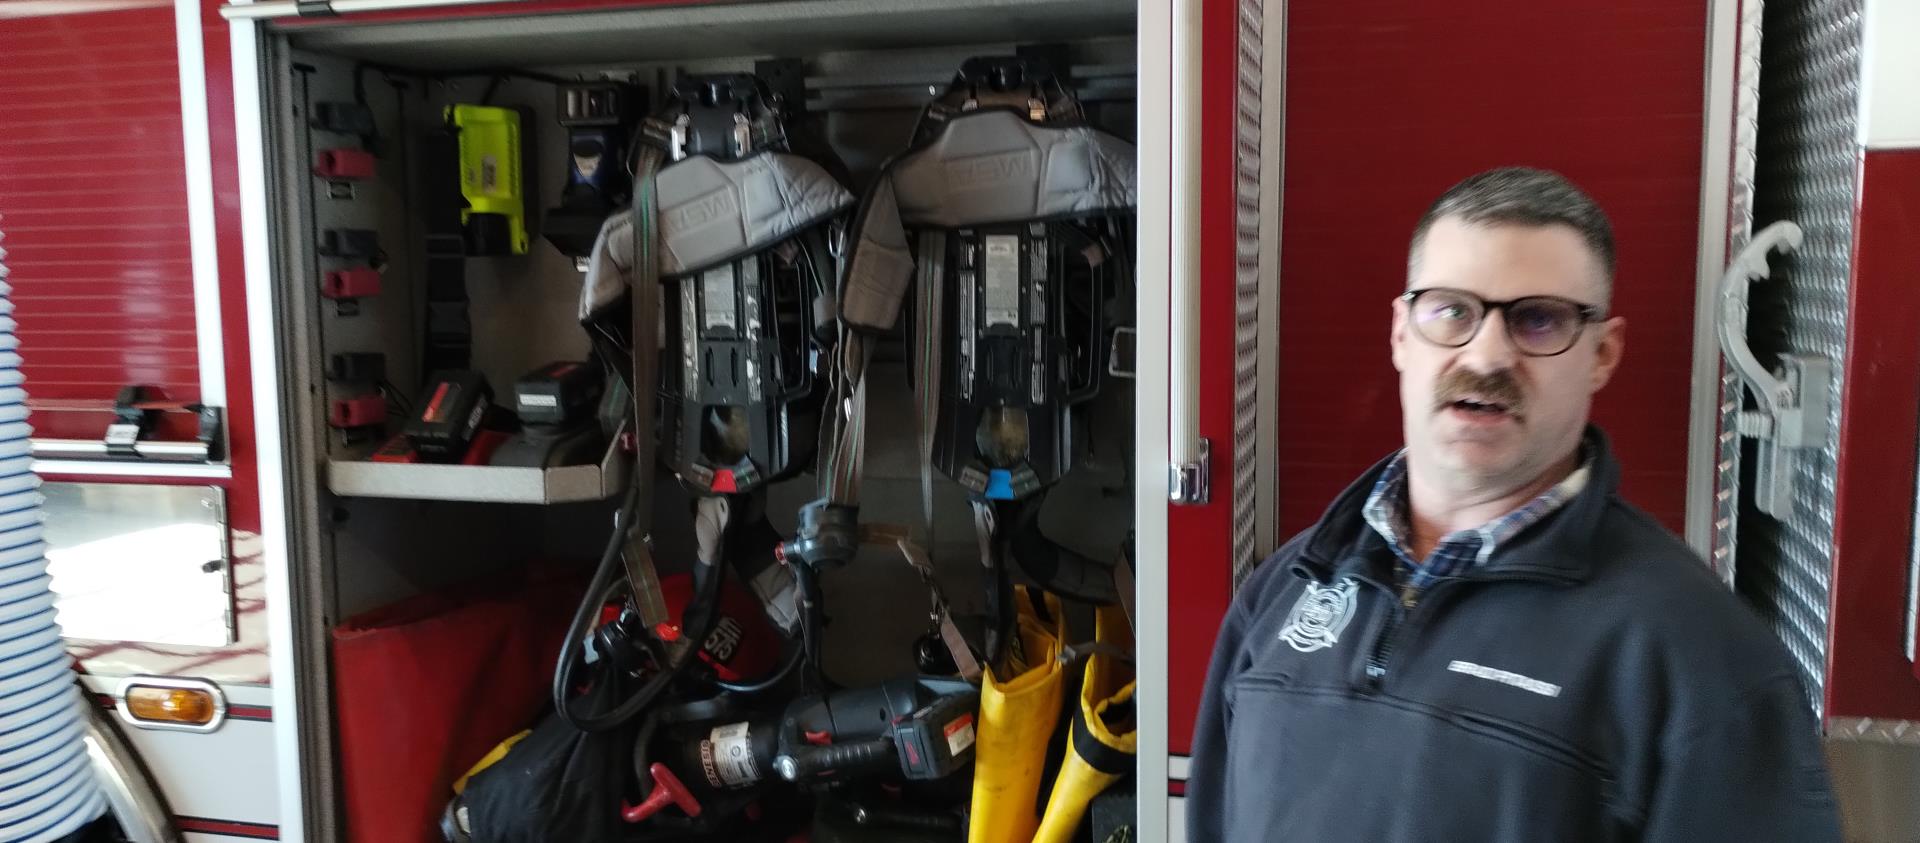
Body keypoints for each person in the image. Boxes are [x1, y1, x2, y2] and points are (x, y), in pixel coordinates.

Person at [1185, 167, 1842, 842]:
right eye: (1452, 312)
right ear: (1402, 333)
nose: (1488, 353)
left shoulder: (1698, 657)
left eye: (1539, 320)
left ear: (1602, 354)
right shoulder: (1285, 591)